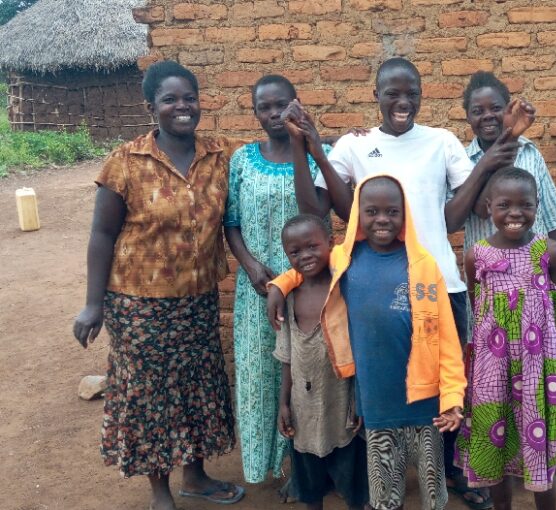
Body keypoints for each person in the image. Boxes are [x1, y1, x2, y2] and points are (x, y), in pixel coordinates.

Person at [289, 57, 517, 510]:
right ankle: (384, 478)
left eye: (411, 92)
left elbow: (454, 216)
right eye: (392, 92)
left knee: (447, 382)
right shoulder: (356, 146)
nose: (403, 101)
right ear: (375, 96)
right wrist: (314, 147)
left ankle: (449, 473)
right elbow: (326, 208)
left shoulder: (441, 141)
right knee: (386, 382)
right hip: (378, 284)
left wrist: (487, 164)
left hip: (438, 284)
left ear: (421, 95)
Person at [72, 60, 244, 510]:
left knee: (197, 387)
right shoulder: (125, 162)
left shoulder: (219, 153)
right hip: (138, 305)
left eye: (189, 98)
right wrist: (93, 305)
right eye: (171, 99)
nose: (182, 106)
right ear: (152, 107)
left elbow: (274, 149)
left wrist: (340, 141)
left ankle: (196, 476)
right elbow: (101, 235)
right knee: (151, 397)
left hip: (198, 299)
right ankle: (159, 490)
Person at [268, 175, 467, 510]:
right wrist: (279, 284)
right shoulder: (344, 259)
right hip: (375, 402)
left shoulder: (423, 265)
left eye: (392, 211)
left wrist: (452, 397)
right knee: (385, 492)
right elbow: (307, 264)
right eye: (371, 211)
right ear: (358, 214)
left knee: (433, 493)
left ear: (405, 214)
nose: (382, 219)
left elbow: (445, 336)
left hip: (425, 401)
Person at [460, 72, 556, 489]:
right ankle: (498, 463)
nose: (487, 116)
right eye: (477, 111)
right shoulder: (461, 160)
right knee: (494, 388)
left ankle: (551, 456)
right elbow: (470, 209)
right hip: (494, 297)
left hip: (534, 290)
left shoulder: (531, 153)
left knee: (544, 380)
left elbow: (549, 219)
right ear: (467, 117)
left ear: (508, 106)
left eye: (495, 107)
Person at [223, 74, 331, 484]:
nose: (272, 114)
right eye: (263, 107)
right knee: (259, 377)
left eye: (280, 105)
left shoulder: (323, 153)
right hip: (258, 289)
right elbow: (231, 221)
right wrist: (250, 265)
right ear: (253, 112)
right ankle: (263, 464)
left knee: (305, 376)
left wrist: (305, 144)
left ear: (296, 104)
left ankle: (299, 468)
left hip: (307, 287)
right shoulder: (242, 159)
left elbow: (319, 212)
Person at [456, 167, 556, 510]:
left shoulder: (551, 252)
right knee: (497, 437)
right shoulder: (477, 254)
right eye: (505, 205)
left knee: (540, 442)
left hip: (539, 366)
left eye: (526, 205)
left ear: (537, 207)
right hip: (493, 366)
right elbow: (479, 306)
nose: (515, 213)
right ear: (489, 206)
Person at [273, 214, 369, 510]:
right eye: (295, 252)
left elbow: (361, 349)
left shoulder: (345, 289)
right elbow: (287, 355)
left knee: (354, 486)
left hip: (343, 407)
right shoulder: (289, 298)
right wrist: (284, 404)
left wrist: (360, 400)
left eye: (312, 246)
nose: (305, 256)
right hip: (303, 410)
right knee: (309, 489)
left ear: (330, 243)